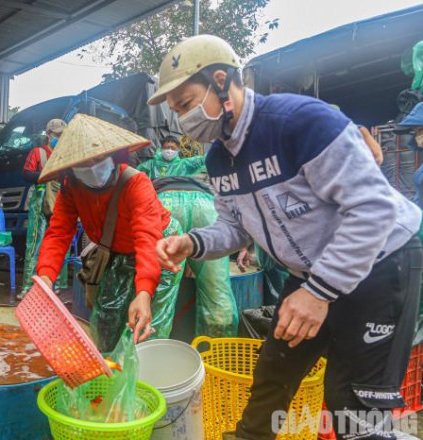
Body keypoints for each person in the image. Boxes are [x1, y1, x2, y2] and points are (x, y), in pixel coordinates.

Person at [150, 35, 422, 440]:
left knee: (350, 406)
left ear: (221, 82)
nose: (183, 120)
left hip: (381, 263)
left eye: (187, 105)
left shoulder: (300, 122)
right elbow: (237, 227)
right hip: (310, 271)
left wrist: (318, 292)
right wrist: (191, 243)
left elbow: (373, 209)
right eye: (176, 112)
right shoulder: (218, 158)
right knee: (273, 374)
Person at [35, 114, 184, 352]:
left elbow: (147, 240)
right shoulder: (71, 187)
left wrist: (144, 292)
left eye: (99, 158)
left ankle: (146, 380)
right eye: (82, 163)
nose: (91, 167)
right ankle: (107, 373)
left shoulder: (137, 184)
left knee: (147, 324)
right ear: (70, 168)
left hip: (161, 248)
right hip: (117, 249)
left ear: (114, 156)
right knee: (106, 317)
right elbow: (58, 232)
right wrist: (45, 278)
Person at [141, 134, 238, 336]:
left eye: (172, 146)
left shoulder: (147, 165)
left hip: (164, 202)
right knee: (217, 290)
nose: (169, 149)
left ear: (176, 148)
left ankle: (153, 350)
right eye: (167, 146)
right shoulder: (186, 164)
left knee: (163, 288)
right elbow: (206, 158)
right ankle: (219, 353)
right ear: (162, 147)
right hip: (205, 204)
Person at [19, 119, 69, 299]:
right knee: (34, 242)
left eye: (63, 135)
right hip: (40, 201)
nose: (60, 139)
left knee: (59, 242)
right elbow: (26, 174)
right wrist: (47, 175)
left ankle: (56, 286)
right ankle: (28, 286)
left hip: (59, 201)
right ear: (48, 135)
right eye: (57, 135)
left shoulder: (64, 156)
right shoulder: (38, 153)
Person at [137, 135, 206, 179]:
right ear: (161, 149)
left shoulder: (183, 164)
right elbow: (135, 174)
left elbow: (202, 160)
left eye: (173, 148)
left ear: (178, 149)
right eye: (166, 148)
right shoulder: (151, 164)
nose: (169, 150)